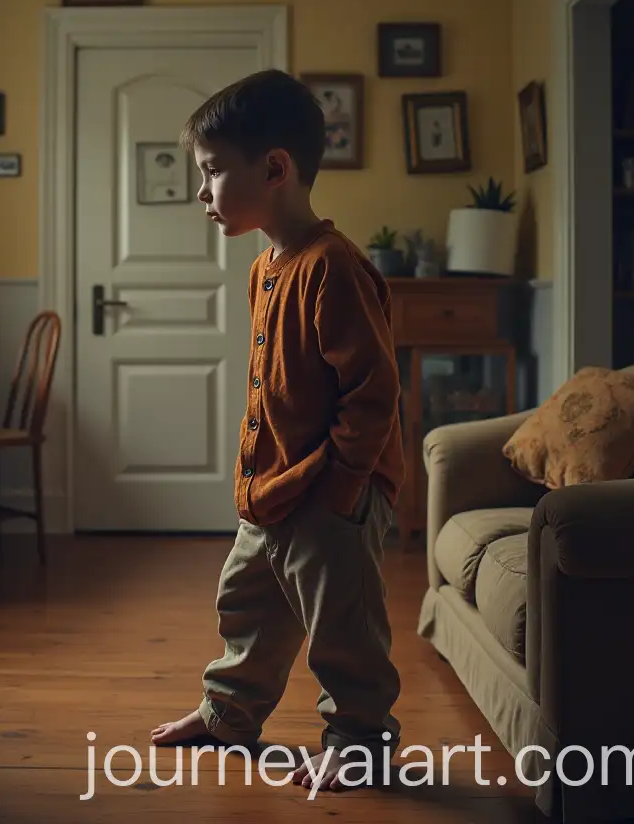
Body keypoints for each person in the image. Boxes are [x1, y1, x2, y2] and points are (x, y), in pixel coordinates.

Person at [150, 69, 405, 793]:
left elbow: (373, 390)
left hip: (332, 493)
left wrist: (343, 488)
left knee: (342, 629)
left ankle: (360, 740)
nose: (201, 193)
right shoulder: (266, 267)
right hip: (275, 489)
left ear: (274, 168)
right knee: (248, 604)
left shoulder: (335, 268)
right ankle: (229, 713)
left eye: (211, 173)